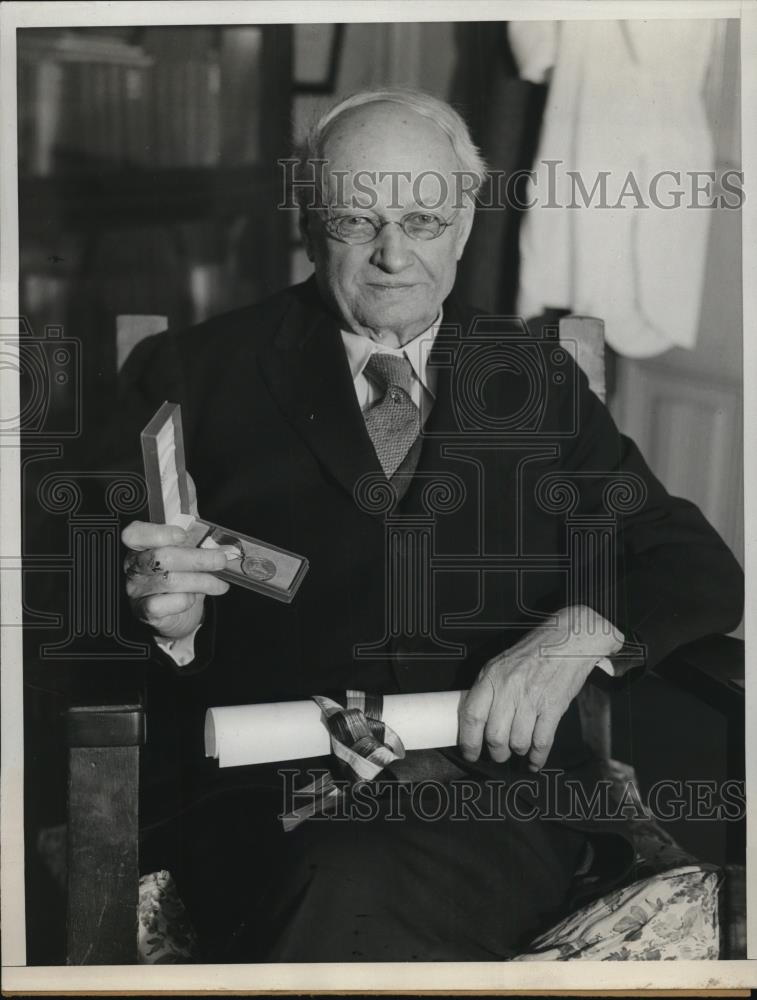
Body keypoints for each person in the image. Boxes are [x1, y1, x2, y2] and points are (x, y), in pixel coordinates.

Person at [116, 89, 743, 962]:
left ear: (465, 223)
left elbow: (694, 565)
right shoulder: (192, 371)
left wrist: (575, 632)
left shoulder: (529, 380)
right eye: (356, 220)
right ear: (308, 219)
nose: (391, 255)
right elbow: (78, 619)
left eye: (422, 218)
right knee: (339, 884)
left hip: (488, 803)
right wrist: (169, 627)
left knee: (360, 888)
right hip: (268, 800)